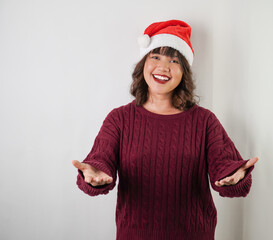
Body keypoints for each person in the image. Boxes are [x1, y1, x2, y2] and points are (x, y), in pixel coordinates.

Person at [72, 19, 259, 240]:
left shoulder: (205, 121)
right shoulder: (119, 119)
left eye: (174, 60)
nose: (164, 67)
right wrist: (94, 174)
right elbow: (100, 162)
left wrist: (234, 177)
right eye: (156, 57)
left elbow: (225, 168)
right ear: (143, 64)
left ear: (184, 72)